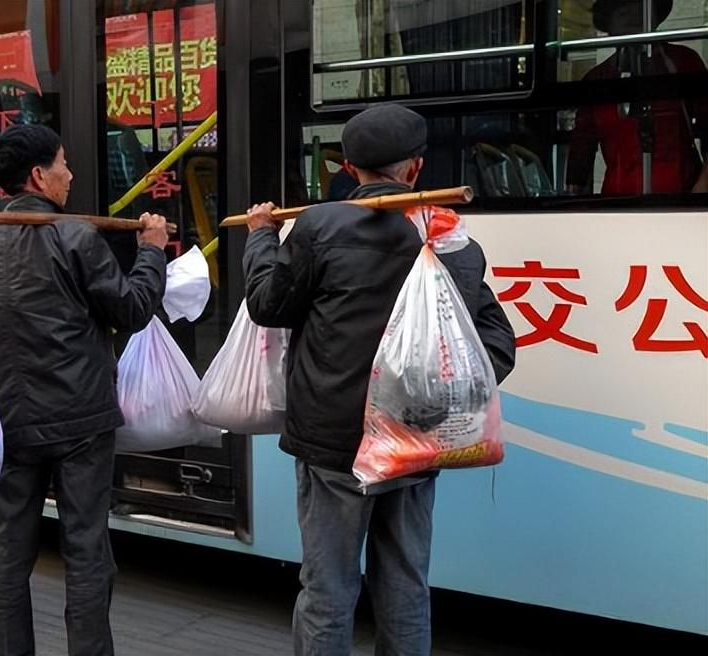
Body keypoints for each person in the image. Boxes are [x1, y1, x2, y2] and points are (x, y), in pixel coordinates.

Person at [243, 103, 517, 656]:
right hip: (418, 442)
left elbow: (267, 304)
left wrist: (260, 237)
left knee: (327, 588)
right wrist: (438, 400)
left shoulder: (319, 224)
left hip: (333, 444)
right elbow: (495, 345)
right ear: (415, 168)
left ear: (347, 166)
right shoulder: (452, 242)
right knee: (405, 583)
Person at [0, 124, 169, 656]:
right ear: (38, 176)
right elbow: (132, 309)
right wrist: (153, 252)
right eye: (63, 163)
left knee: (9, 544)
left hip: (9, 422)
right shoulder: (75, 237)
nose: (70, 174)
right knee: (87, 547)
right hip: (80, 424)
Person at [566, 0, 708, 195]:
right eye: (624, 13)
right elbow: (582, 147)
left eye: (640, 11)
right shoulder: (596, 79)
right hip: (618, 203)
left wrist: (700, 191)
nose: (633, 20)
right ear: (609, 26)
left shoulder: (684, 62)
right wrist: (573, 202)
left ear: (653, 18)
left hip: (681, 199)